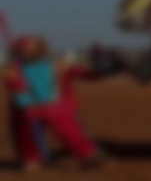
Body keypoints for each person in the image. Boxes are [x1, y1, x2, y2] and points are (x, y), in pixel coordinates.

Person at [3, 35, 102, 171]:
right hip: (27, 109)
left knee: (70, 131)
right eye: (23, 49)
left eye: (31, 48)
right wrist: (22, 97)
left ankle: (87, 154)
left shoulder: (56, 65)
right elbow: (15, 87)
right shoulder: (14, 70)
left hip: (53, 105)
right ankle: (31, 160)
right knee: (26, 136)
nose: (28, 52)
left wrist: (98, 71)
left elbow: (80, 73)